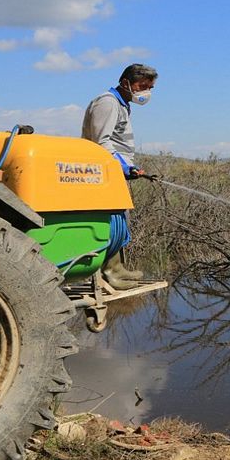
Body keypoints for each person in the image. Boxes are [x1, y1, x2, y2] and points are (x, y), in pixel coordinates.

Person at [82, 63, 158, 290]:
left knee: (120, 220)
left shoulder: (122, 105)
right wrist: (123, 167)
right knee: (111, 223)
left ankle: (118, 269)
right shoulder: (107, 102)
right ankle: (111, 273)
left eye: (150, 87)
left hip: (115, 170)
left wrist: (128, 168)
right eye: (142, 86)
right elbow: (101, 141)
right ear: (126, 82)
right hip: (104, 171)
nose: (146, 92)